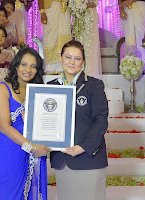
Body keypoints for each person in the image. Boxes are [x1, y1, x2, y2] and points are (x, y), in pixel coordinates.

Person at [0, 47, 50, 199]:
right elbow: (4, 127)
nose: (28, 69)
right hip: (0, 152)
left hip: (23, 152)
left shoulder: (39, 91)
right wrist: (31, 147)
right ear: (16, 65)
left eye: (33, 66)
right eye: (24, 64)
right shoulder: (2, 88)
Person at [47, 40, 108, 200]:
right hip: (62, 158)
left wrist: (83, 147)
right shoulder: (50, 87)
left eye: (77, 58)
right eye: (68, 57)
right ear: (60, 58)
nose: (71, 62)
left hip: (88, 157)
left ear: (83, 61)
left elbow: (100, 121)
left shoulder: (94, 86)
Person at [34, 0, 72, 74]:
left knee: (62, 35)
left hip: (63, 11)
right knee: (50, 36)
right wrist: (42, 12)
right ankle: (50, 65)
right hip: (51, 10)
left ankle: (60, 65)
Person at [70, 0, 102, 78]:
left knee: (89, 44)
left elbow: (95, 2)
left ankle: (89, 72)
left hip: (89, 19)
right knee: (80, 44)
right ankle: (80, 70)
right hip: (78, 20)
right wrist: (76, 8)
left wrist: (84, 5)